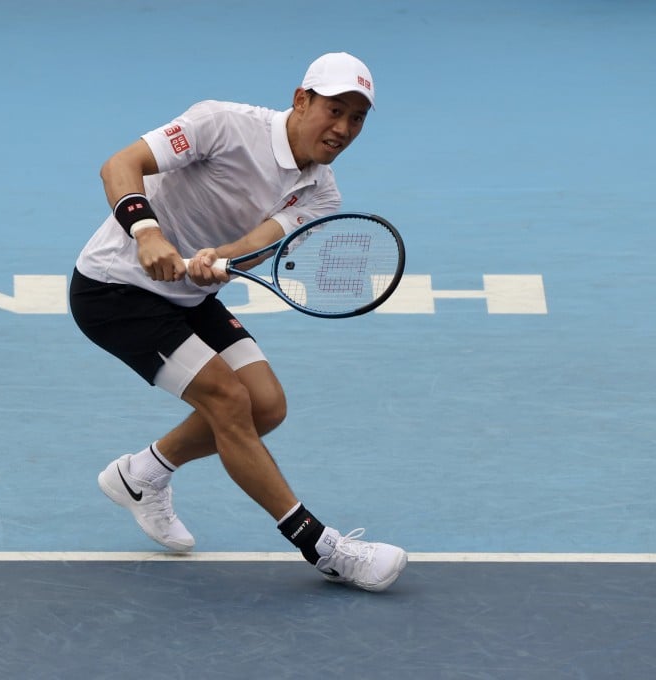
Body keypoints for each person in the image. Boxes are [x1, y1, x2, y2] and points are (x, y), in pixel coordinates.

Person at [68, 52, 407, 592]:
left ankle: (141, 475)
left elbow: (257, 245)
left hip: (185, 295)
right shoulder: (222, 124)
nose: (343, 128)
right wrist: (147, 233)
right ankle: (322, 547)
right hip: (116, 290)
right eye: (334, 110)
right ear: (302, 100)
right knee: (228, 401)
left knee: (266, 406)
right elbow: (120, 165)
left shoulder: (322, 194)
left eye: (357, 118)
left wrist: (216, 259)